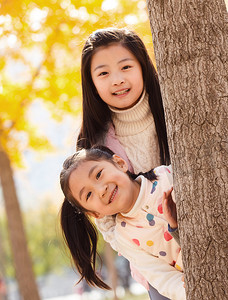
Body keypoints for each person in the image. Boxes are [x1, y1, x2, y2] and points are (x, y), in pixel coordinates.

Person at [75, 27, 178, 300]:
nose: (117, 80)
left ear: (143, 66)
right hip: (156, 260)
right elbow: (106, 222)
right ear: (92, 83)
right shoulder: (94, 144)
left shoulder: (175, 109)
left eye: (126, 67)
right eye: (104, 73)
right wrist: (146, 250)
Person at [59, 146, 184, 300]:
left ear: (120, 163)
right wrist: (188, 289)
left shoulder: (166, 176)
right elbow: (161, 277)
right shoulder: (125, 238)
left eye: (98, 174)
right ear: (95, 214)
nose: (101, 190)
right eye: (89, 194)